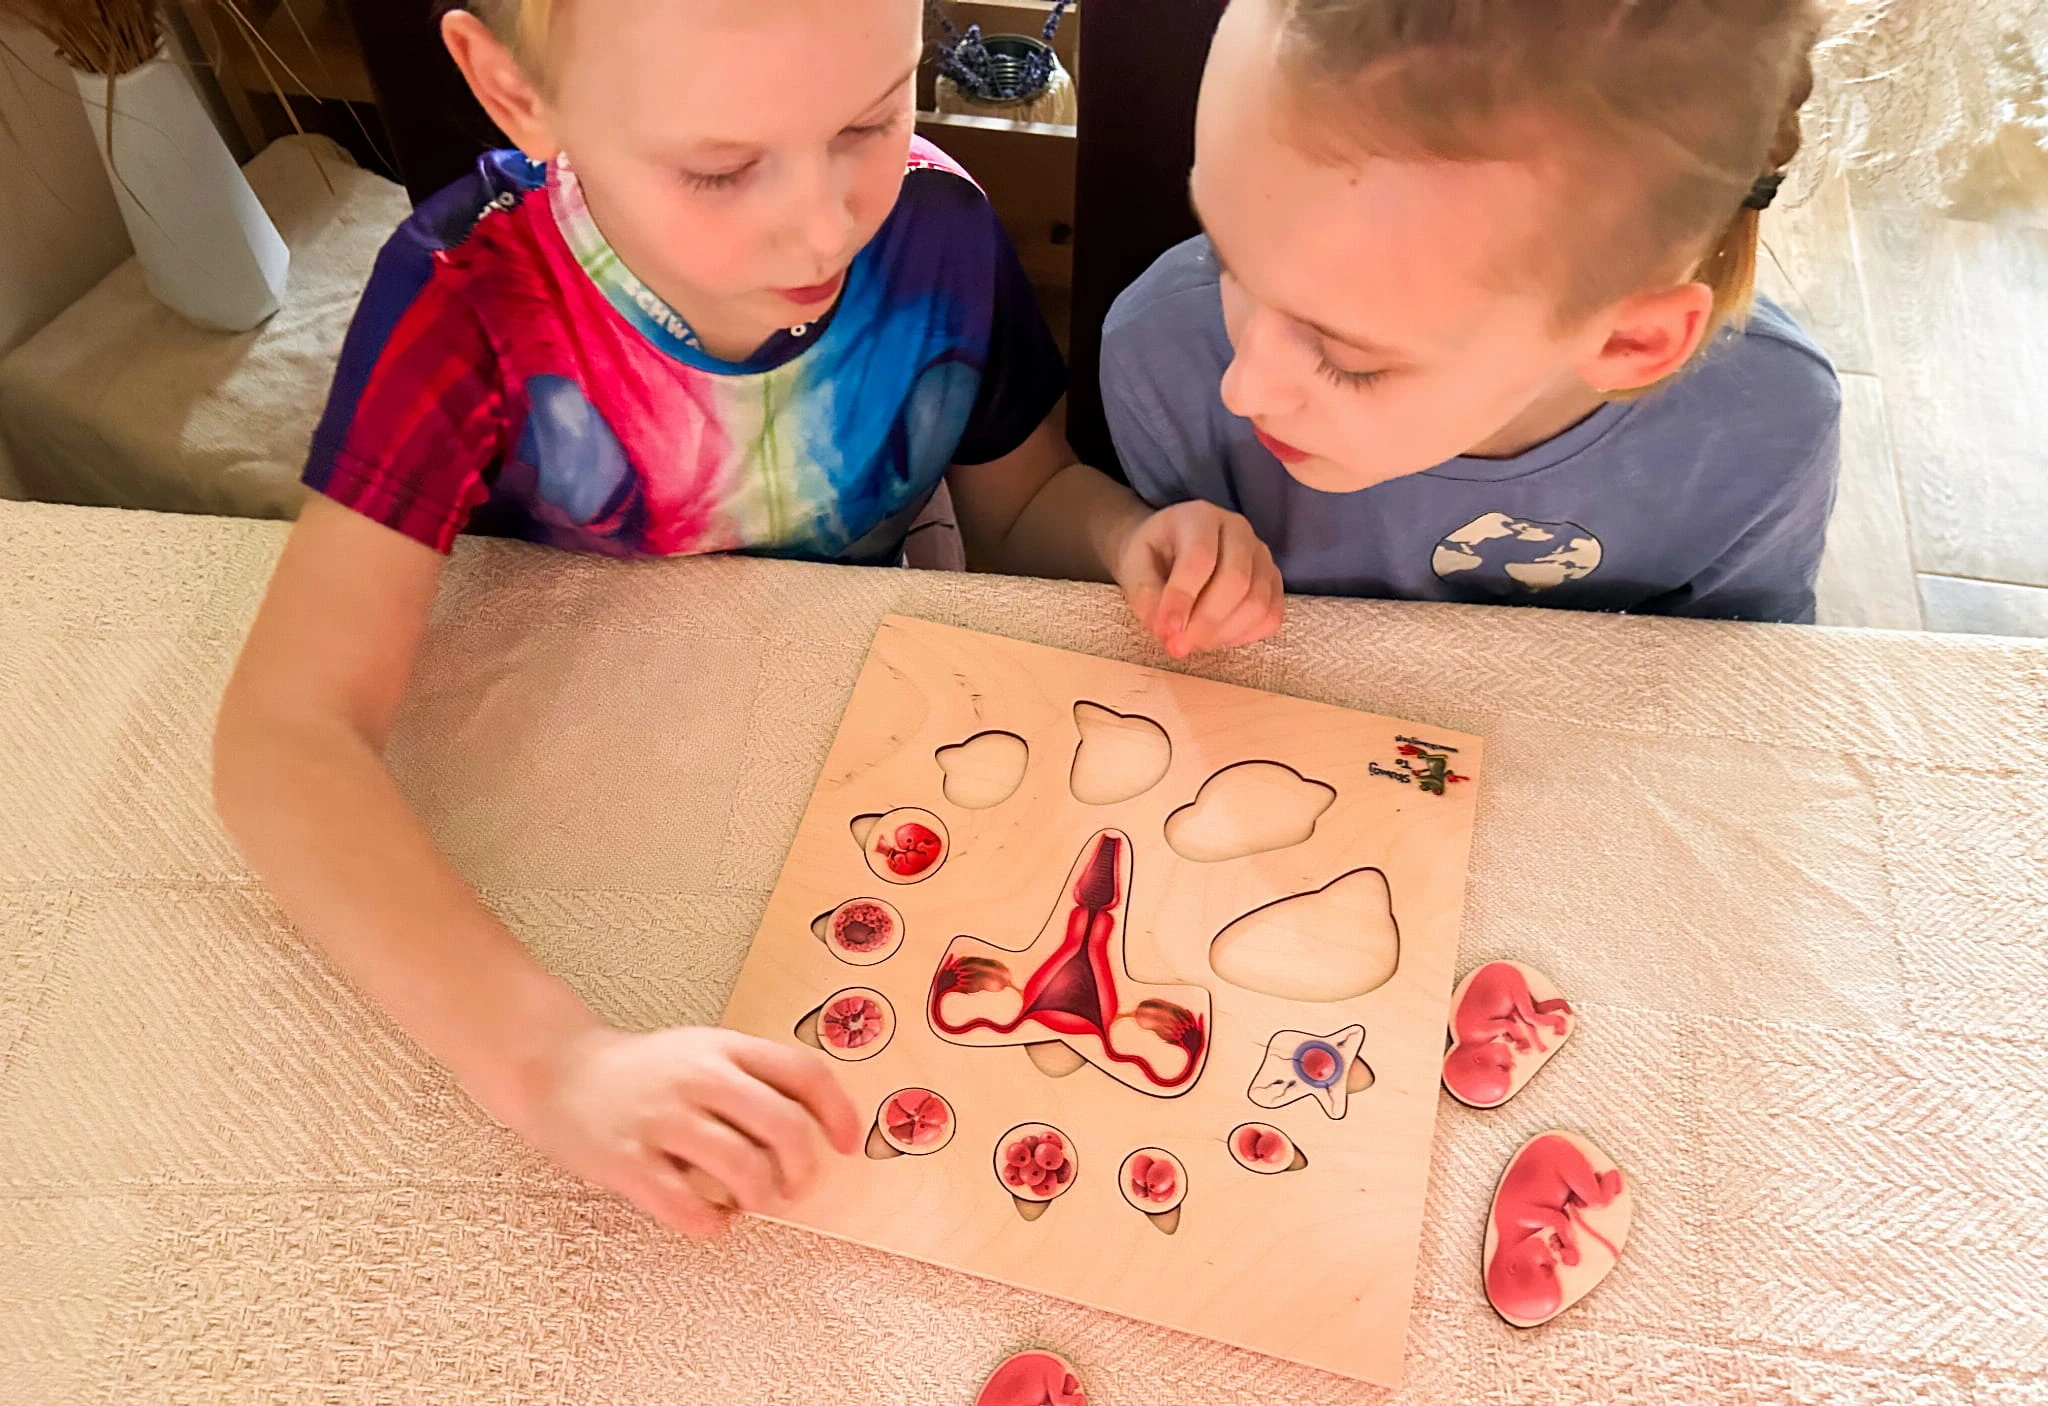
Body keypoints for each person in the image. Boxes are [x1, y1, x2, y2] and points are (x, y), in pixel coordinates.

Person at [214, 0, 1283, 1245]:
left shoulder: (939, 228)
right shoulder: (468, 294)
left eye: (869, 120)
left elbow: (1025, 497)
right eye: (720, 169)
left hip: (866, 783)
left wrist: (1126, 540)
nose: (826, 224)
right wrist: (549, 1061)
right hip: (594, 801)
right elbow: (285, 739)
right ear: (514, 93)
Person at [1103, 0, 1842, 622]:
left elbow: (1742, 678)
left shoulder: (1765, 427)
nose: (1242, 388)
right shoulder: (1164, 351)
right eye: (1228, 256)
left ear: (1628, 341)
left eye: (1349, 358)